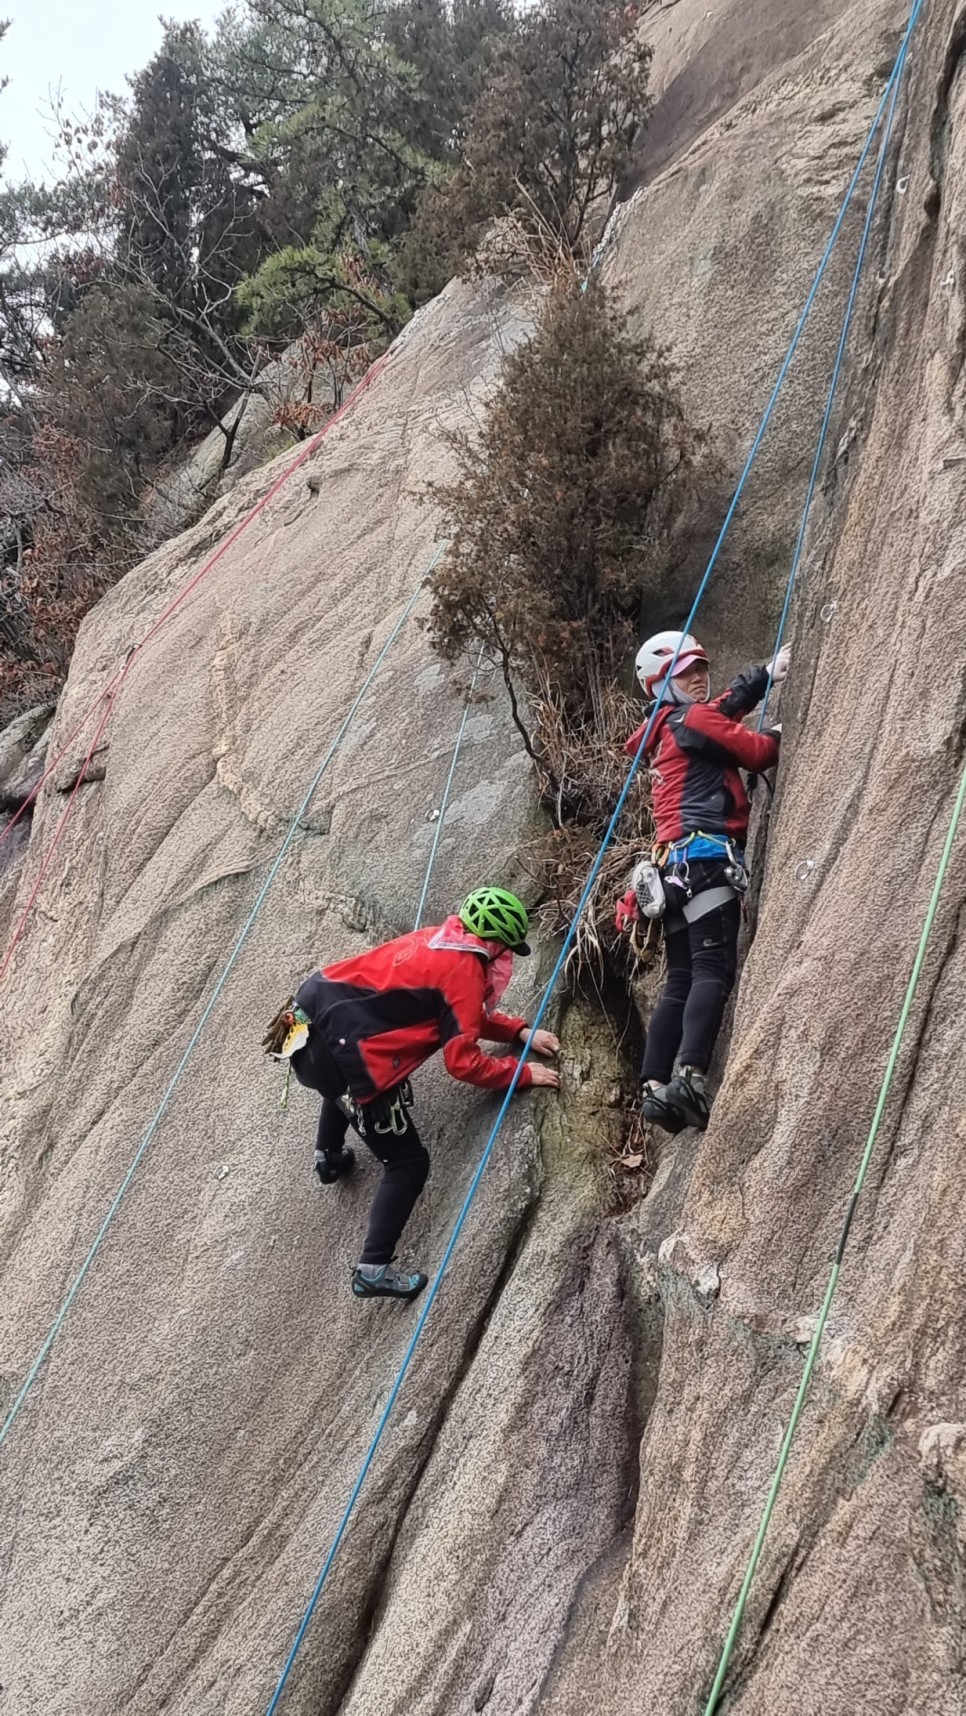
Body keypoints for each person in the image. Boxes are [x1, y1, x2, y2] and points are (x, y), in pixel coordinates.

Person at [266, 887, 559, 1302]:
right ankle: (372, 1268)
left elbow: (458, 1015)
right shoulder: (466, 971)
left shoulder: (440, 937)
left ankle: (328, 1157)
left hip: (308, 1023)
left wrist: (517, 1030)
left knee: (342, 1092)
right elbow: (463, 1061)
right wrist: (521, 1073)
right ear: (495, 943)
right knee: (408, 1162)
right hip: (343, 1055)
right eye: (507, 950)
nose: (505, 960)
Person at [617, 631, 790, 1134]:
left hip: (671, 869)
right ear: (659, 685)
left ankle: (653, 1087)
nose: (697, 677)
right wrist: (778, 734)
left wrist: (761, 676)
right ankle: (690, 1076)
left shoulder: (666, 729)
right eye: (683, 673)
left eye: (699, 668)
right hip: (708, 859)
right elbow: (755, 753)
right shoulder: (690, 719)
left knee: (681, 979)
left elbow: (720, 710)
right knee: (711, 969)